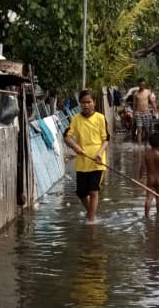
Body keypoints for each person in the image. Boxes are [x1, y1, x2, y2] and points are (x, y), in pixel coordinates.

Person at [64, 89, 110, 224]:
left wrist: (100, 153)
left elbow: (106, 139)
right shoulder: (76, 119)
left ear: (94, 102)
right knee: (81, 193)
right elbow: (66, 137)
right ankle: (92, 212)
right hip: (82, 161)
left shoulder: (100, 118)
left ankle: (91, 221)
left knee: (94, 191)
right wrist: (75, 147)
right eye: (83, 102)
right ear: (80, 104)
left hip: (97, 161)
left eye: (89, 102)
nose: (86, 105)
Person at [139, 133, 159, 218]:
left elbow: (142, 168)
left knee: (148, 199)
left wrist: (140, 177)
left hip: (150, 180)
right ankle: (158, 215)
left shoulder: (146, 155)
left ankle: (146, 215)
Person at [133, 78, 158, 145]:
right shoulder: (136, 94)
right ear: (138, 84)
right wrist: (133, 115)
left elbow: (152, 102)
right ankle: (139, 146)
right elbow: (134, 105)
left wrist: (156, 111)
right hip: (138, 113)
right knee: (139, 130)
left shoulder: (148, 92)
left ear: (145, 85)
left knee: (147, 130)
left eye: (143, 85)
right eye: (141, 85)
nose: (142, 86)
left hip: (146, 113)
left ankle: (146, 144)